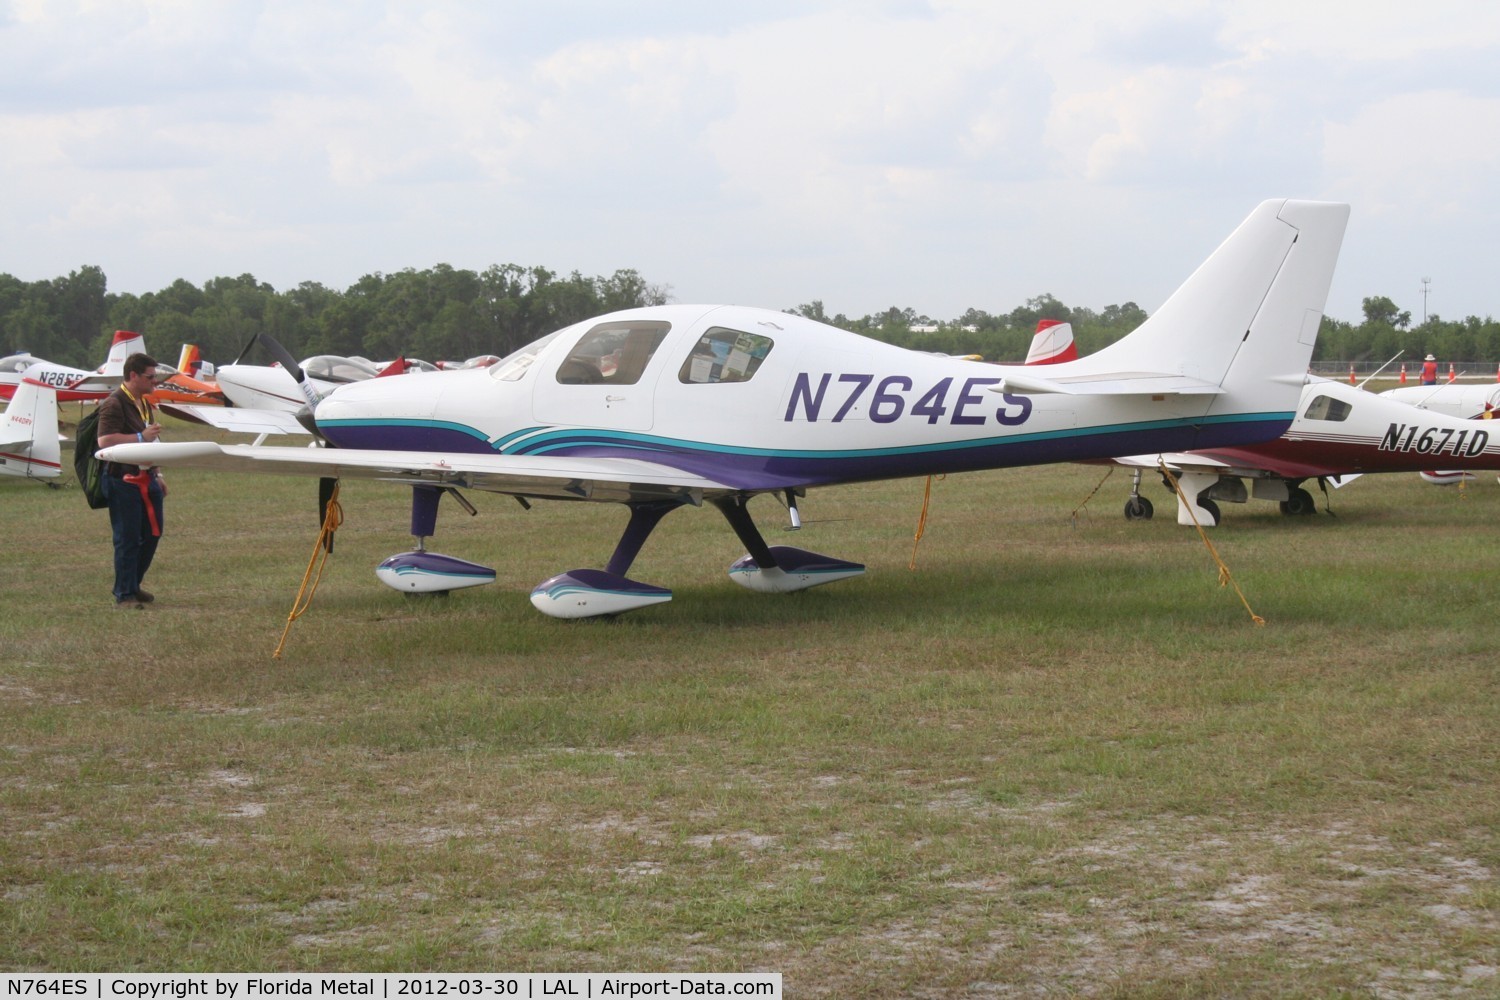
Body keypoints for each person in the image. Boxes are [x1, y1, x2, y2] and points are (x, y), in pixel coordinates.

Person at [95, 353, 168, 609]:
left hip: (147, 476)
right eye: (150, 377)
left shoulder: (143, 402)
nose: (155, 382)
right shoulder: (113, 403)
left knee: (153, 533)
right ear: (133, 375)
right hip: (121, 479)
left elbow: (151, 442)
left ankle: (133, 584)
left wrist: (158, 474)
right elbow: (103, 441)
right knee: (128, 538)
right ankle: (124, 594)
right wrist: (140, 436)